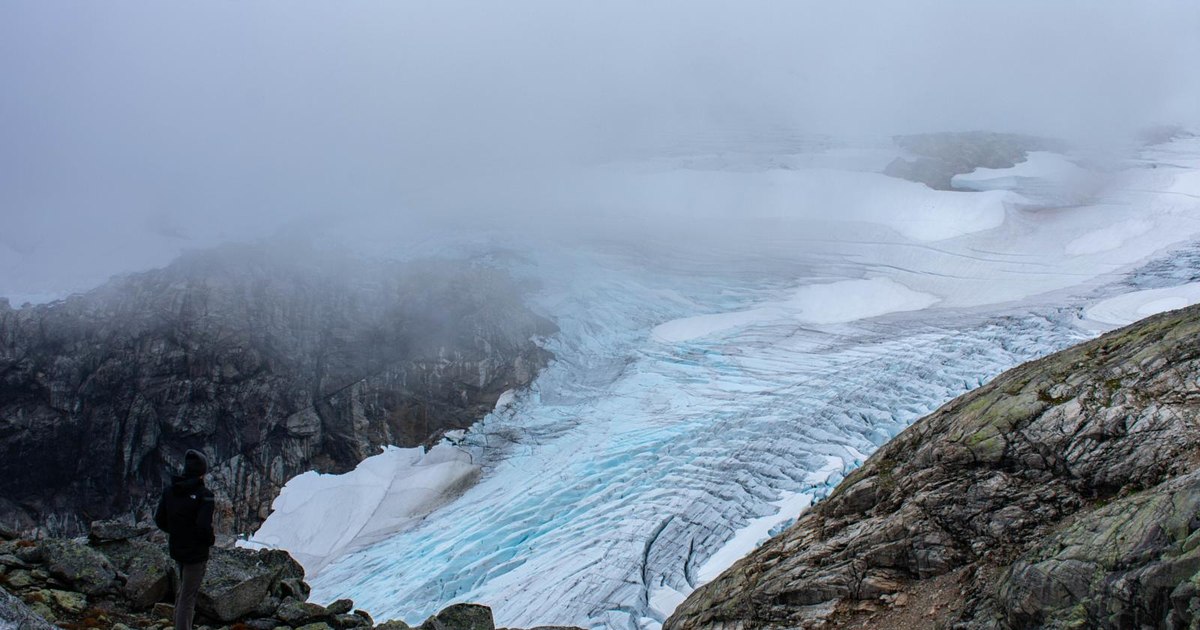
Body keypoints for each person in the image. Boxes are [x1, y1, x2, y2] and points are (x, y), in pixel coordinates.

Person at [154, 449, 216, 630]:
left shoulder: (170, 491)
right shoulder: (205, 495)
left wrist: (176, 532)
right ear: (202, 472)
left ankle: (177, 624)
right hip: (196, 553)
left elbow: (160, 520)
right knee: (189, 596)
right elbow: (203, 526)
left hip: (177, 548)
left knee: (182, 591)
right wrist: (209, 540)